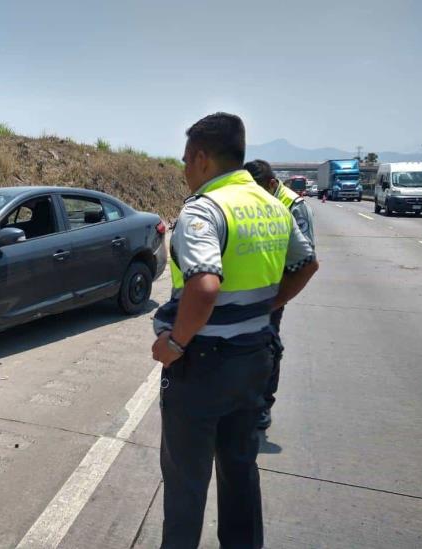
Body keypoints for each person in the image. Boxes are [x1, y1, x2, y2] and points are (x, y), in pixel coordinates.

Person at [151, 112, 318, 548]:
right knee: (241, 470)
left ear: (203, 159)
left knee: (186, 483)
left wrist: (175, 342)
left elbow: (204, 285)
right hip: (253, 359)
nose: (185, 169)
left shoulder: (205, 209)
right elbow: (307, 264)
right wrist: (265, 306)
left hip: (202, 365)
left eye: (186, 159)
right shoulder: (272, 204)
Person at [243, 159, 316, 429]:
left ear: (273, 184)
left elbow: (306, 263)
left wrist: (276, 300)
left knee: (267, 349)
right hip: (244, 289)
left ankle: (263, 404)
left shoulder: (294, 207)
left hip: (272, 293)